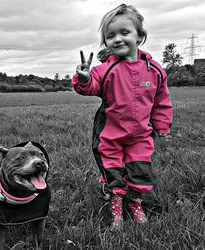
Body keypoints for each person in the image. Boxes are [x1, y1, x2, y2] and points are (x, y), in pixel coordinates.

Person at [71, 4, 173, 230]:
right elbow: (90, 87)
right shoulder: (104, 69)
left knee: (140, 171)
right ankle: (116, 207)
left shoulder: (154, 70)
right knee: (112, 170)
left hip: (140, 135)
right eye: (110, 36)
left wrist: (162, 125)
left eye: (124, 33)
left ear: (140, 36)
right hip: (110, 134)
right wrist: (85, 78)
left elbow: (161, 101)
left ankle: (135, 203)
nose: (117, 39)